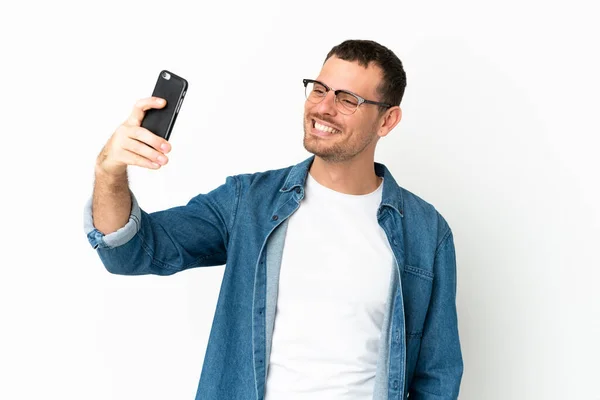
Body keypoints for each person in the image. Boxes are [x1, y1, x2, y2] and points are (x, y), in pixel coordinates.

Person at [84, 39, 463, 400]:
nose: (324, 107)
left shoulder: (426, 232)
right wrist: (109, 170)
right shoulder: (248, 203)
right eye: (319, 89)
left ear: (387, 120)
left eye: (347, 99)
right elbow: (130, 252)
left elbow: (437, 374)